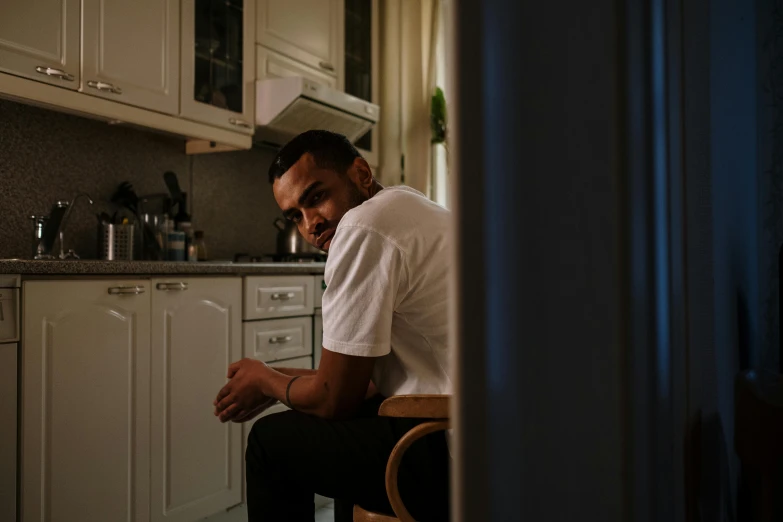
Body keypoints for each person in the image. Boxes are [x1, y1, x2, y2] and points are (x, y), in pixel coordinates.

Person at [213, 130, 452, 522]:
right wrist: (269, 378)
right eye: (295, 216)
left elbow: (334, 398)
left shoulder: (363, 227)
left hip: (448, 449)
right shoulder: (408, 206)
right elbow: (358, 382)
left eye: (316, 198)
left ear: (360, 173)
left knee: (270, 444)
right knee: (345, 428)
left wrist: (265, 381)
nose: (311, 225)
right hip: (490, 429)